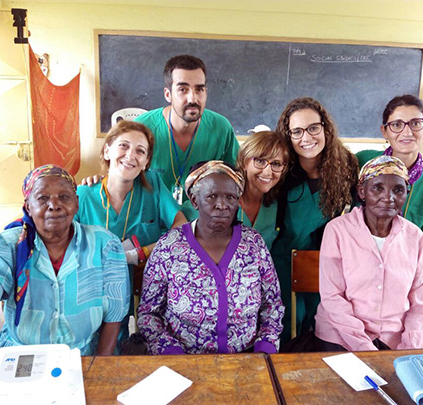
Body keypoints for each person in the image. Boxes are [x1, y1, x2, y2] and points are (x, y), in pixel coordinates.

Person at [0, 165, 129, 356]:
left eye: (64, 196)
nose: (54, 205)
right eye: (42, 198)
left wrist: (99, 366)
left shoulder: (105, 245)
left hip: (82, 355)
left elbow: (114, 317)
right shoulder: (7, 246)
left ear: (76, 203)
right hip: (21, 355)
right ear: (28, 206)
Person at [137, 161, 284, 355]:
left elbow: (272, 305)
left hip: (247, 359)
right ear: (195, 200)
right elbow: (148, 314)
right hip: (183, 360)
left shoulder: (254, 244)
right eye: (212, 196)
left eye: (230, 197)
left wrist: (264, 348)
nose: (222, 205)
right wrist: (170, 353)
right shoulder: (169, 247)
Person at [75, 120, 186, 349]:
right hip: (97, 283)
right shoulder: (84, 194)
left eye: (140, 151)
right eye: (123, 146)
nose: (130, 155)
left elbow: (181, 226)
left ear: (146, 162)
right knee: (99, 346)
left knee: (157, 340)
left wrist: (142, 253)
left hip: (145, 277)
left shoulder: (153, 185)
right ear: (107, 150)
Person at [314, 155, 423, 351]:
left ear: (407, 193)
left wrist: (409, 348)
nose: (388, 197)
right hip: (341, 337)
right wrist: (366, 350)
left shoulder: (415, 237)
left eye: (398, 190)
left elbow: (422, 304)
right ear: (362, 192)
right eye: (378, 188)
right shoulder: (337, 230)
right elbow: (333, 297)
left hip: (395, 340)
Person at [271, 97, 359, 341]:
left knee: (325, 330)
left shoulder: (347, 167)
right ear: (287, 135)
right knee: (287, 330)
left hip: (327, 265)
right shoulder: (280, 169)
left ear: (325, 128)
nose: (306, 138)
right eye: (297, 131)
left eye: (313, 128)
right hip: (283, 263)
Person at [134, 54, 239, 206]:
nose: (193, 98)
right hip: (152, 220)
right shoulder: (141, 128)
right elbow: (119, 175)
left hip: (201, 221)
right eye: (183, 89)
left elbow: (236, 177)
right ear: (168, 94)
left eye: (199, 89)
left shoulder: (221, 128)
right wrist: (96, 181)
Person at [356, 95, 423, 263]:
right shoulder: (363, 162)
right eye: (397, 125)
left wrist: (422, 285)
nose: (407, 132)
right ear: (385, 131)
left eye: (415, 123)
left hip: (403, 266)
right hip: (357, 261)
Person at [181, 130, 290, 249]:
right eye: (260, 161)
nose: (268, 171)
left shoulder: (277, 205)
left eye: (277, 164)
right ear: (244, 161)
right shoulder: (217, 197)